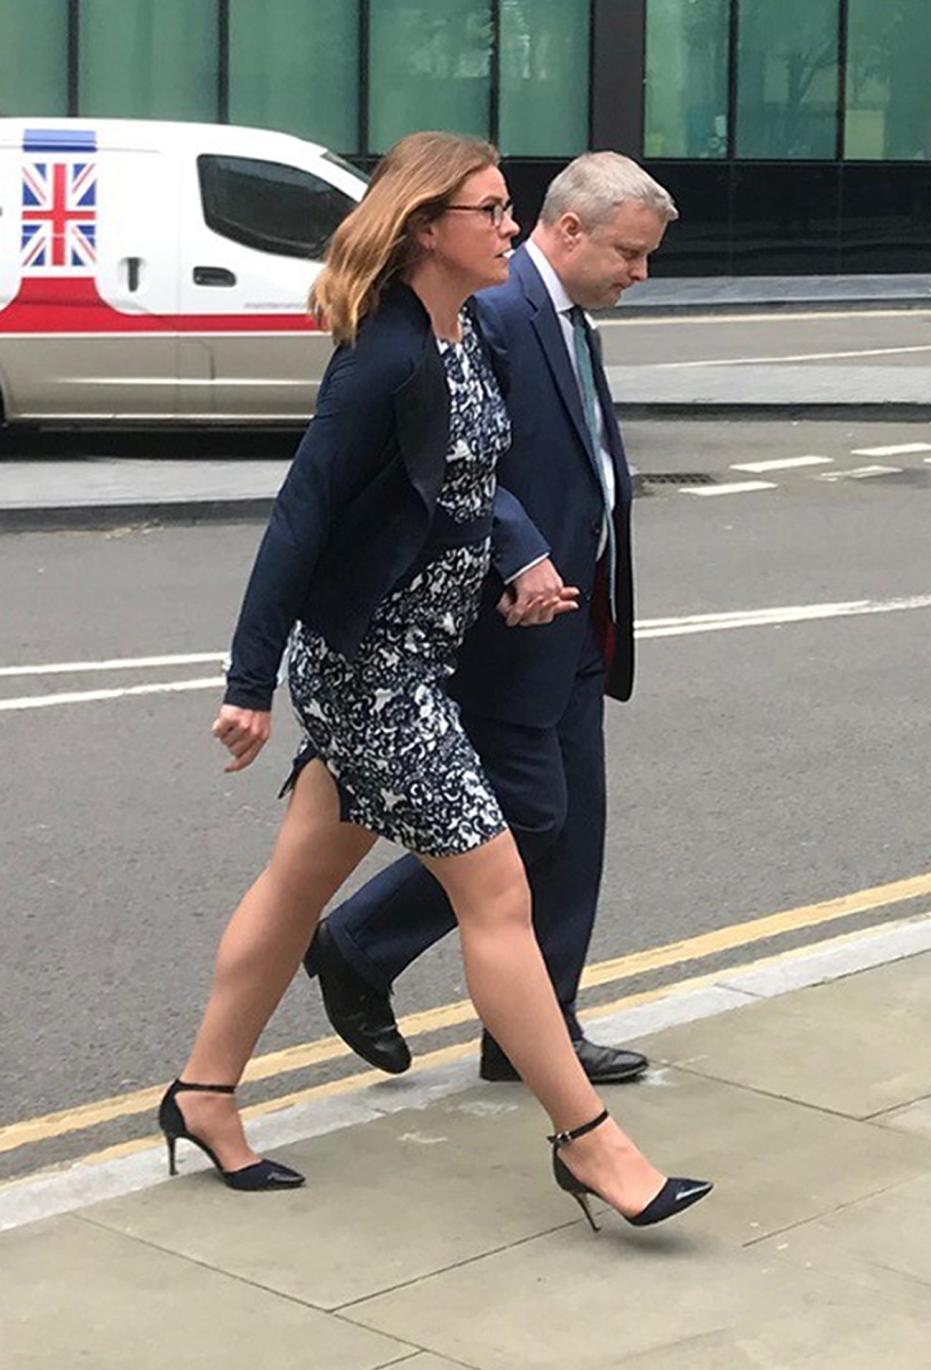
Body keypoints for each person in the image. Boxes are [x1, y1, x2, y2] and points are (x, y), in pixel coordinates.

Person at [158, 131, 709, 1229]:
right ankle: (592, 1143)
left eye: (510, 209)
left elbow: (454, 489)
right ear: (427, 229)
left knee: (295, 886)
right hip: (374, 674)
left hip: (418, 653)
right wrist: (247, 679)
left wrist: (501, 571)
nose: (512, 227)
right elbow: (301, 512)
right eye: (493, 211)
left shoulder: (454, 332)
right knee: (499, 896)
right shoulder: (388, 353)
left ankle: (203, 1094)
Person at [304, 152, 678, 1089]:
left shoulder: (565, 314)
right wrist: (522, 556)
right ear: (570, 230)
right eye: (630, 254)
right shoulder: (504, 310)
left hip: (577, 614)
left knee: (572, 827)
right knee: (523, 815)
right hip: (509, 616)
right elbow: (466, 461)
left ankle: (531, 1035)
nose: (641, 273)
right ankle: (358, 943)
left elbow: (576, 453)